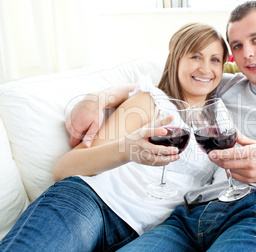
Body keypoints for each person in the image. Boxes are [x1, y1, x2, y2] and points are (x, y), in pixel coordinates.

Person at [65, 1, 256, 251]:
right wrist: (96, 98)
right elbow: (164, 89)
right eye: (238, 46)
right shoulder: (224, 85)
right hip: (192, 214)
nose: (247, 55)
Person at [0, 22, 230, 251]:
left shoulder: (219, 121)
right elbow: (64, 168)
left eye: (215, 59)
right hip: (93, 202)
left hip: (146, 234)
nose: (205, 68)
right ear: (176, 59)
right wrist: (128, 150)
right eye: (195, 57)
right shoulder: (151, 101)